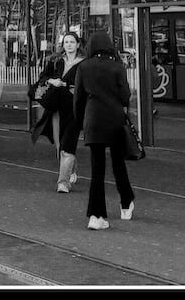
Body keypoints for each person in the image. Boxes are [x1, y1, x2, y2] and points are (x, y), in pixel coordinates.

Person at [73, 31, 135, 230]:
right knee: (118, 164)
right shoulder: (117, 67)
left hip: (93, 120)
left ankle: (96, 215)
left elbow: (78, 99)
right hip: (115, 119)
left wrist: (80, 122)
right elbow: (125, 96)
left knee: (97, 169)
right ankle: (126, 203)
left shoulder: (84, 67)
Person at [31, 31, 84, 192]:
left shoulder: (84, 64)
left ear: (78, 44)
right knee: (60, 144)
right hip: (56, 108)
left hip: (74, 109)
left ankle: (63, 182)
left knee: (68, 144)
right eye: (66, 42)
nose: (69, 45)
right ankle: (71, 170)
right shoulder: (56, 62)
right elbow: (42, 77)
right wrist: (52, 80)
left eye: (72, 42)